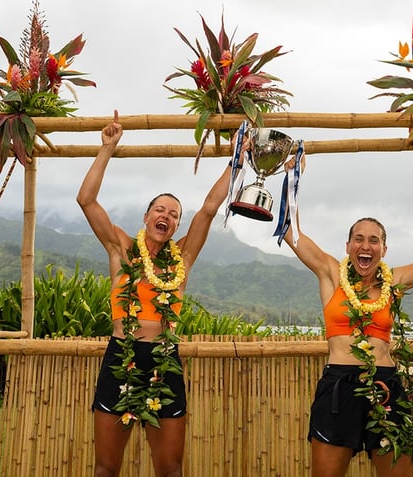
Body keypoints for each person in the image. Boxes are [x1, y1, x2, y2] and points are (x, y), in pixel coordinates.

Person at [77, 110, 237, 477]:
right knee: (105, 468)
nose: (167, 215)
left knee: (170, 470)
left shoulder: (183, 257)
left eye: (175, 214)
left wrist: (238, 157)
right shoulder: (121, 249)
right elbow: (86, 200)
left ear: (177, 225)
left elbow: (210, 210)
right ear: (146, 217)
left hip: (165, 361)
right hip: (121, 356)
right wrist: (107, 148)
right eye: (160, 210)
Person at [282, 170, 413, 477]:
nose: (365, 246)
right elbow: (293, 233)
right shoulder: (332, 274)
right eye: (359, 239)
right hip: (338, 387)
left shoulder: (394, 281)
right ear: (348, 246)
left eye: (374, 240)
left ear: (383, 250)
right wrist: (292, 178)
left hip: (385, 385)